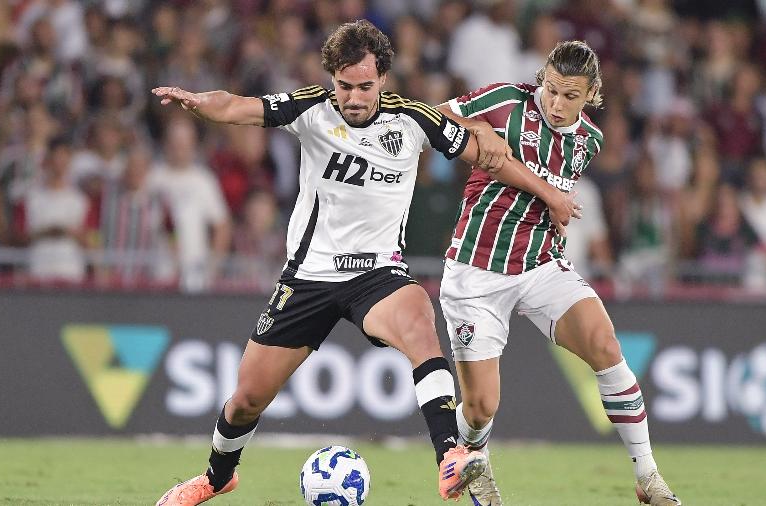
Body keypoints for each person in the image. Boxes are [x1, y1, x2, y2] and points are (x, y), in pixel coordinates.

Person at [151, 20, 578, 506]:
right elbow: (237, 106)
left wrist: (545, 191)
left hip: (376, 274)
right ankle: (216, 477)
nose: (353, 98)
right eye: (344, 86)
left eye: (365, 86)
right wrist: (200, 103)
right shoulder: (310, 108)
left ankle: (449, 458)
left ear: (384, 79)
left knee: (419, 318)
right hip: (308, 277)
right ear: (332, 79)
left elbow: (490, 155)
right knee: (247, 398)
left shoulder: (414, 119)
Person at [436, 41, 682, 506]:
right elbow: (431, 118)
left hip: (541, 265)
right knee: (481, 406)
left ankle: (648, 477)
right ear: (541, 78)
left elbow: (552, 194)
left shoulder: (590, 140)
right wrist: (476, 132)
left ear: (591, 94)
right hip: (476, 271)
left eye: (570, 96)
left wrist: (553, 207)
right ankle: (477, 463)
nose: (555, 102)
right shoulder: (506, 100)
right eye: (550, 89)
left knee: (607, 347)